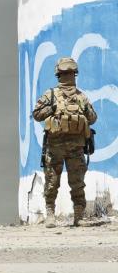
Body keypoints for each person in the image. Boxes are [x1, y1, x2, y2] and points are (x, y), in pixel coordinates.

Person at [32, 57, 98, 227]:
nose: (68, 77)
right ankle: (50, 214)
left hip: (76, 148)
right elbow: (37, 114)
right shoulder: (51, 95)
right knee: (52, 182)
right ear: (59, 75)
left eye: (70, 74)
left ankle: (78, 216)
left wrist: (83, 112)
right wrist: (52, 109)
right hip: (55, 148)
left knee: (77, 183)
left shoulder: (81, 97)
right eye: (65, 74)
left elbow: (92, 118)